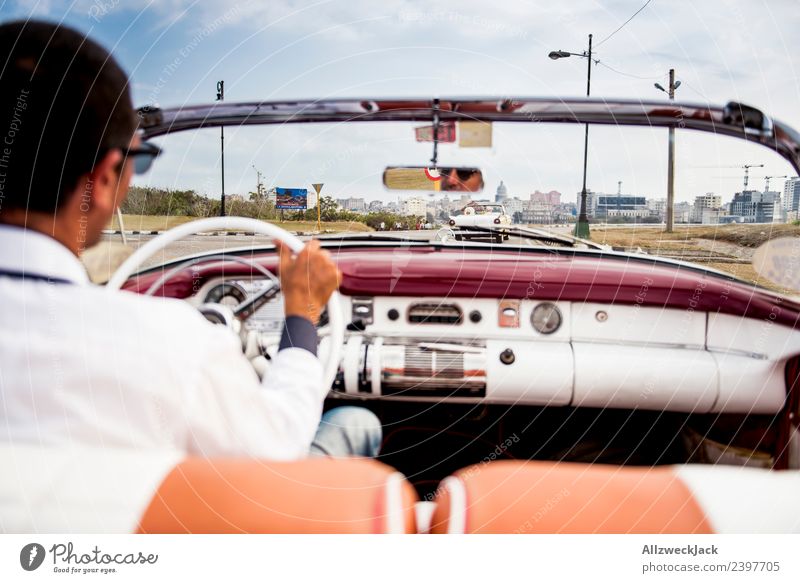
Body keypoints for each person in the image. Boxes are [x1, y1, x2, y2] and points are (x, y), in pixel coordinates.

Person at [0, 20, 381, 460]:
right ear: (103, 179)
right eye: (137, 161)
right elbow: (279, 451)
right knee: (356, 422)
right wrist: (302, 314)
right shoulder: (171, 344)